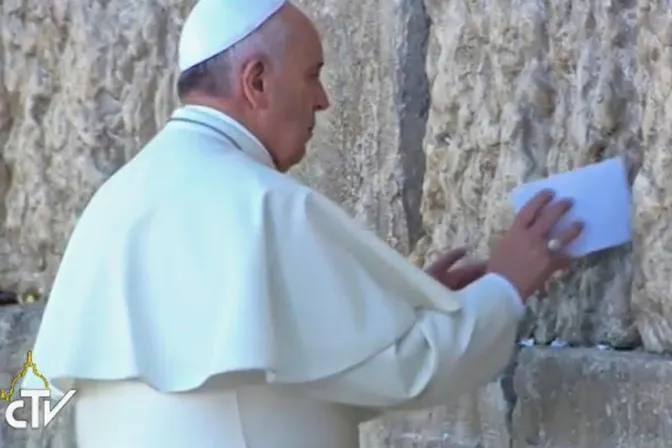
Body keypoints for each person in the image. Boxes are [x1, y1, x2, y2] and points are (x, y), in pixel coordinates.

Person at [22, 1, 583, 447]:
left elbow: (34, 402)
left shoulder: (109, 205)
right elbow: (409, 371)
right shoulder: (267, 206)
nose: (324, 100)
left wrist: (397, 314)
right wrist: (507, 284)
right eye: (312, 75)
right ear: (257, 81)